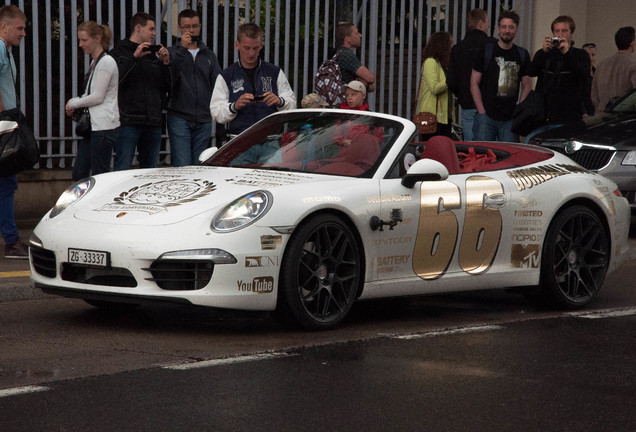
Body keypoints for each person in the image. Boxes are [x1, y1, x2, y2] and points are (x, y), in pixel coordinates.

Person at [210, 23, 296, 137]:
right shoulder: (226, 76)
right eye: (247, 48)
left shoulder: (274, 72)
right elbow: (216, 112)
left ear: (261, 45)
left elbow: (292, 105)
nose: (251, 53)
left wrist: (279, 101)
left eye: (255, 48)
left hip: (271, 140)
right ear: (237, 45)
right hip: (239, 140)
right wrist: (235, 106)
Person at [110, 12, 171, 171]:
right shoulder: (119, 53)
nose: (154, 33)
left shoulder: (152, 56)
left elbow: (166, 87)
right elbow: (116, 81)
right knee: (122, 168)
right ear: (138, 28)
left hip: (152, 121)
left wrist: (165, 64)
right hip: (128, 121)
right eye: (151, 29)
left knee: (149, 171)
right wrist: (134, 58)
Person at [65, 22, 119, 181]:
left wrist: (73, 103)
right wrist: (75, 103)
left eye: (84, 40)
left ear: (97, 38)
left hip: (102, 126)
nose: (80, 44)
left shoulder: (106, 62)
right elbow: (91, 93)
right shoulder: (96, 62)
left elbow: (97, 96)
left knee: (99, 174)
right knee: (80, 173)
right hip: (94, 126)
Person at [167, 9, 221, 166]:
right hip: (179, 116)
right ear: (179, 28)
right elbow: (170, 78)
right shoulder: (172, 53)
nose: (191, 30)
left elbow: (217, 84)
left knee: (199, 165)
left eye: (195, 26)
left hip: (203, 117)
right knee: (182, 165)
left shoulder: (208, 55)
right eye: (186, 26)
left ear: (200, 26)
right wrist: (183, 49)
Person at [470, 10, 531, 142]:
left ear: (516, 30)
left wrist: (519, 108)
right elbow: (474, 83)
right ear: (498, 29)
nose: (507, 31)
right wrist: (481, 111)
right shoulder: (486, 51)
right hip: (486, 117)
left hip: (510, 118)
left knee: (510, 158)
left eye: (511, 27)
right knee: (483, 158)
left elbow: (526, 85)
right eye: (503, 27)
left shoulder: (522, 54)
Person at [529, 15, 592, 126]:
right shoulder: (544, 53)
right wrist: (543, 53)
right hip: (544, 115)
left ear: (571, 34)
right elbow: (531, 72)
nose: (560, 35)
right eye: (557, 31)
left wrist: (567, 53)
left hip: (569, 115)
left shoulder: (580, 54)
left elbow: (583, 75)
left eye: (564, 31)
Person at [0, 5, 28, 259]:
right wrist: (4, 121)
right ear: (3, 26)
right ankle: (11, 242)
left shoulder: (6, 50)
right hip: (2, 127)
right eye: (19, 28)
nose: (23, 33)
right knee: (7, 183)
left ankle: (11, 239)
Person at [447, 8, 496, 141]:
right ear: (480, 23)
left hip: (467, 103)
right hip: (490, 104)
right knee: (492, 148)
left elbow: (451, 81)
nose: (488, 25)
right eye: (487, 22)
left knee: (471, 147)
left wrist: (462, 94)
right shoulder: (493, 45)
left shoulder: (458, 48)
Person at [415, 32, 453, 140]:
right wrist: (450, 80)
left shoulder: (442, 65)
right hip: (432, 116)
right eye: (450, 43)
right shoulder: (430, 62)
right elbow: (435, 87)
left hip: (443, 116)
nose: (452, 46)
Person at [591, 27, 636, 115]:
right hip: (622, 118)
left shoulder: (602, 65)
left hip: (601, 117)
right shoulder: (633, 65)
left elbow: (594, 95)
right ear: (632, 42)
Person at [335, 22, 376, 92]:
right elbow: (371, 78)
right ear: (347, 39)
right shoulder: (347, 55)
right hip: (346, 100)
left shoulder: (340, 53)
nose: (360, 35)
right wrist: (364, 83)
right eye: (356, 33)